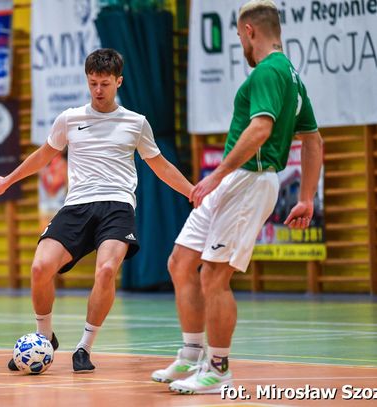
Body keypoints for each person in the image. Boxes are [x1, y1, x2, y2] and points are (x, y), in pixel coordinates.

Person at [151, 0, 323, 394]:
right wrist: (306, 197)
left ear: (249, 31)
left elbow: (261, 129)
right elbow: (314, 140)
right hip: (236, 181)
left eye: (239, 37)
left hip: (250, 179)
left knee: (214, 276)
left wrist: (217, 175)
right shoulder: (291, 76)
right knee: (181, 262)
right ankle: (191, 354)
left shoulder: (269, 71)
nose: (241, 44)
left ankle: (218, 369)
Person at [0, 48, 195, 372]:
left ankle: (84, 348)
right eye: (93, 83)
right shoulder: (69, 119)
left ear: (118, 82)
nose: (98, 90)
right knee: (40, 267)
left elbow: (160, 166)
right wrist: (8, 180)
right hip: (76, 206)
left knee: (106, 270)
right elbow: (43, 156)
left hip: (117, 205)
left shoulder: (136, 123)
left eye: (105, 84)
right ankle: (45, 339)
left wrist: (192, 191)